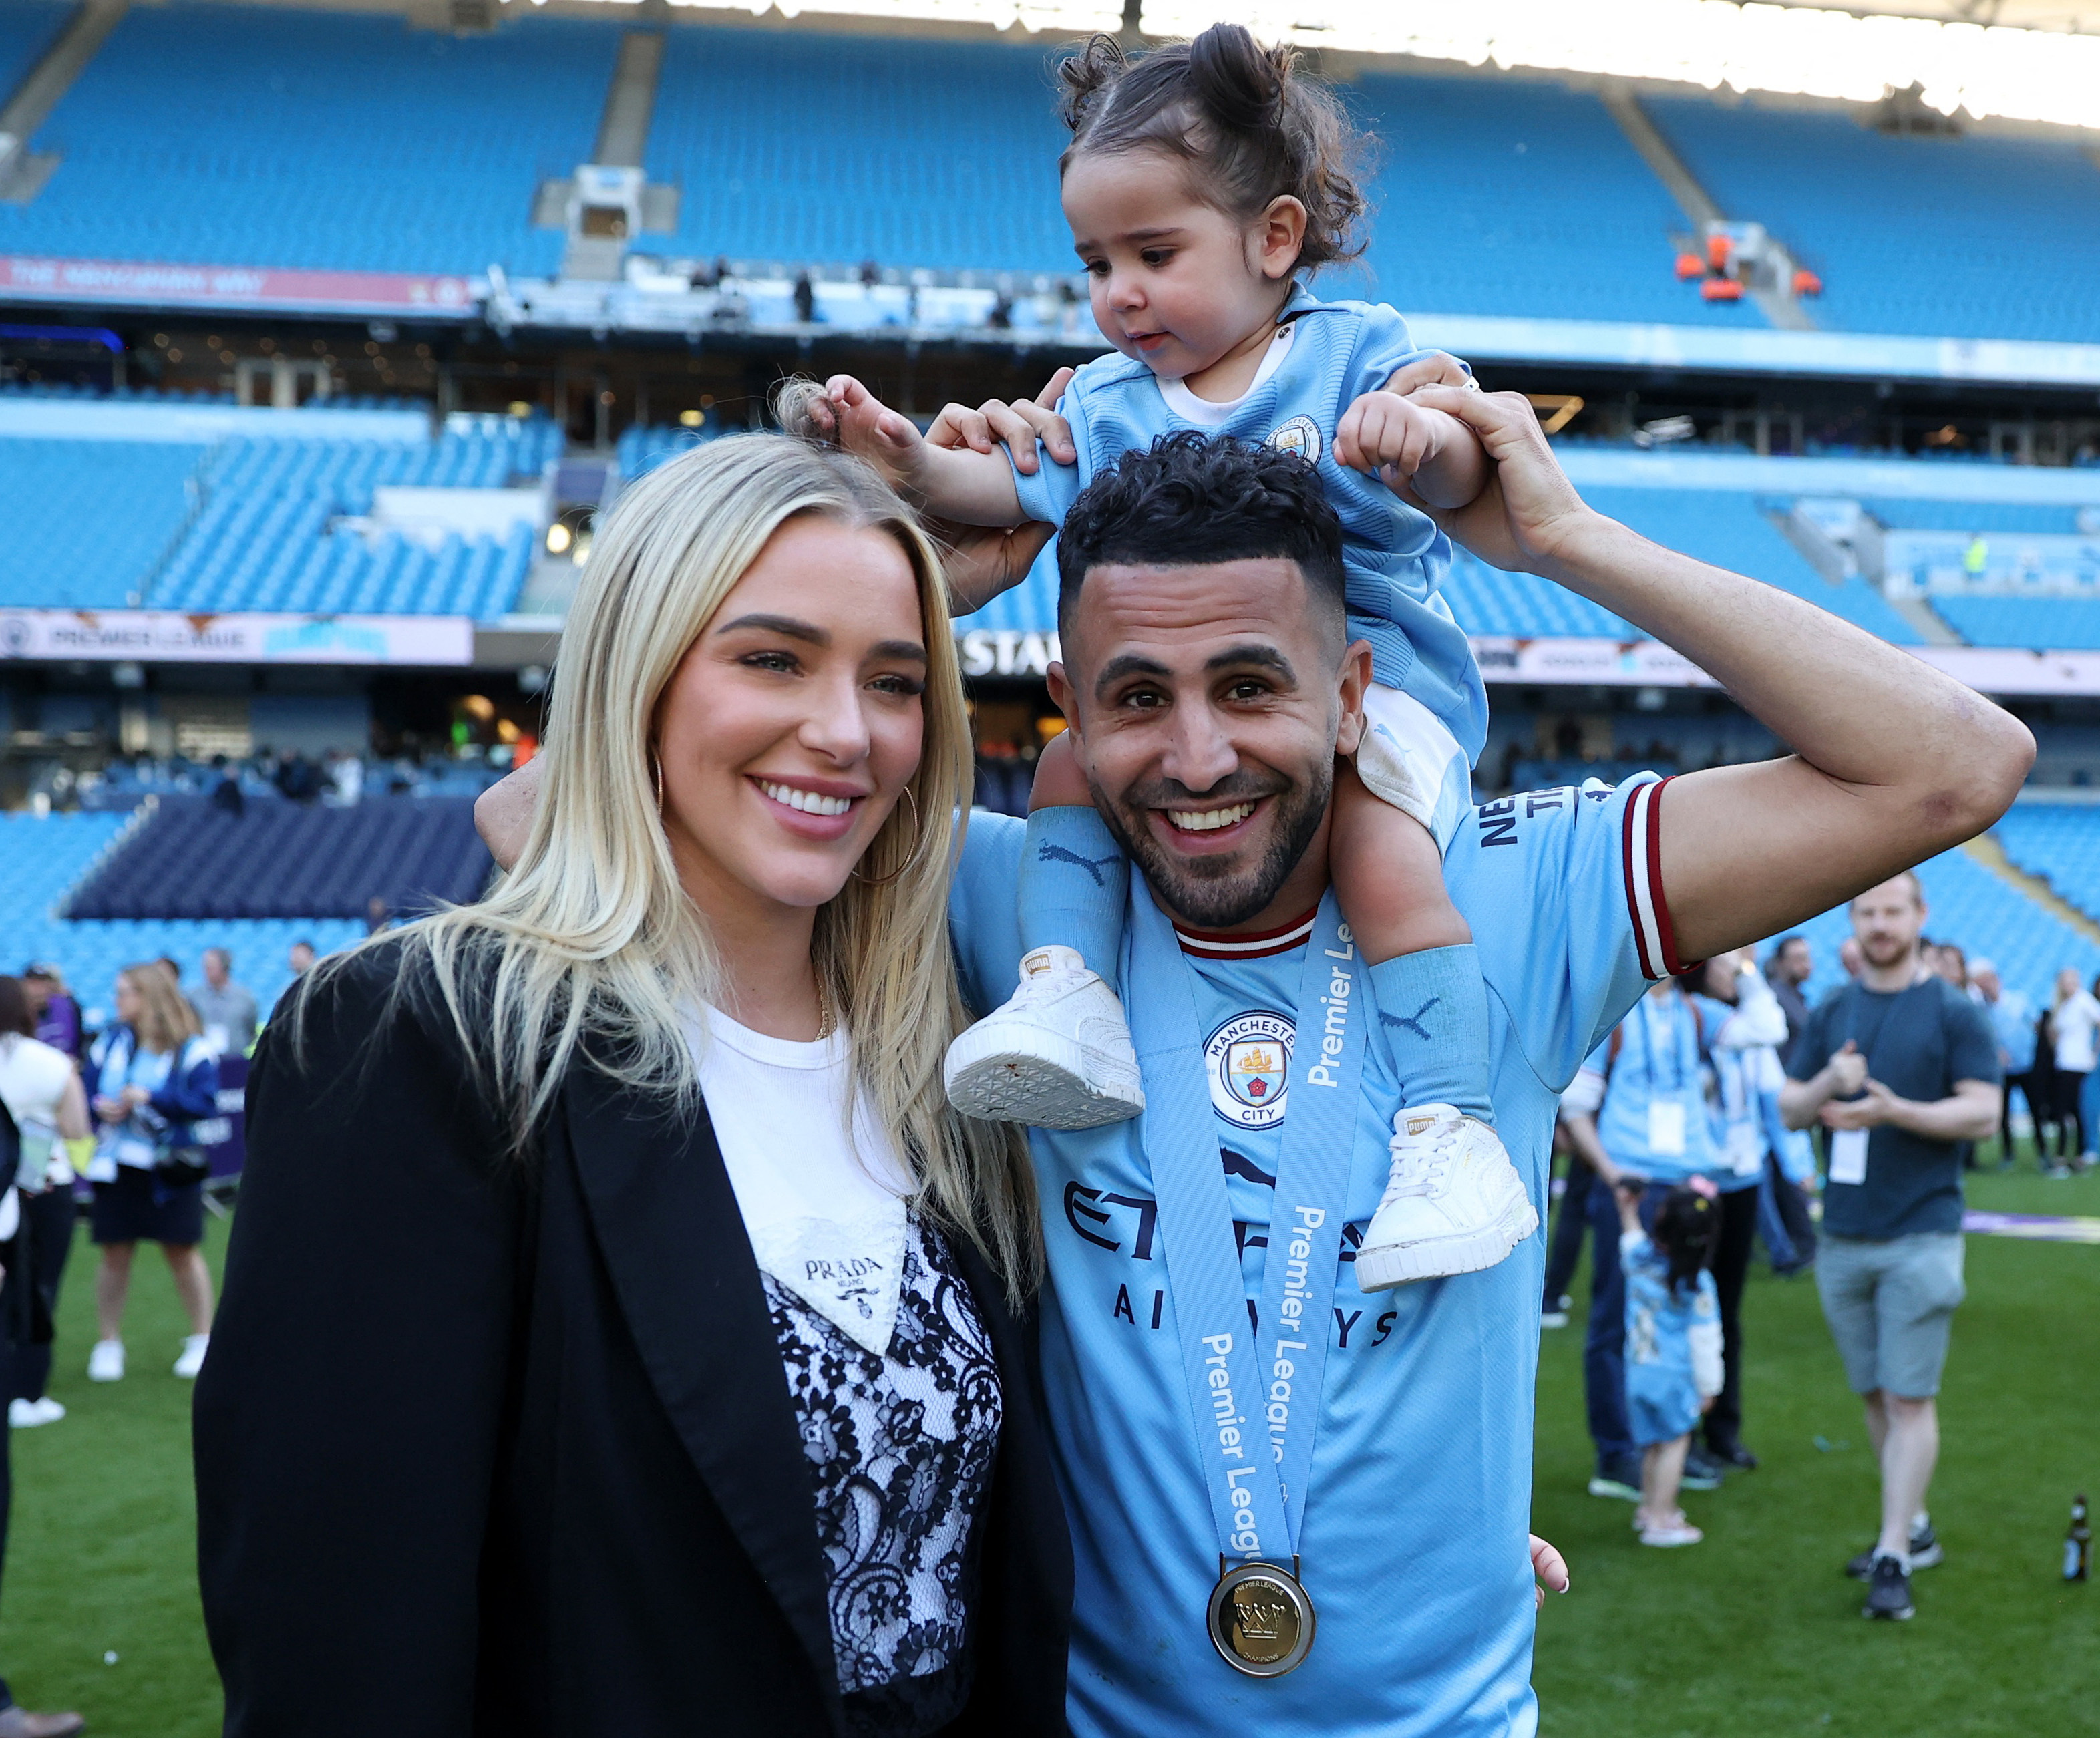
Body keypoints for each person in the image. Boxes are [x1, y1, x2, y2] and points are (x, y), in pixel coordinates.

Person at [477, 395, 2029, 1732]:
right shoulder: (1010, 904)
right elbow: (535, 825)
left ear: (1352, 691)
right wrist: (913, 598)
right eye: (1136, 697)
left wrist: (1563, 540)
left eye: (1251, 684)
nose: (1200, 756)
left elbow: (1956, 762)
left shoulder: (1510, 888)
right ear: (1072, 710)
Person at [194, 435, 1073, 1734]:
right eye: (771, 657)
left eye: (894, 680)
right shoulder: (418, 1040)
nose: (845, 732)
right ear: (637, 677)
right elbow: (339, 1630)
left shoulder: (956, 1037)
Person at [809, 26, 1534, 1294]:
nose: (1118, 295)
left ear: (1271, 240)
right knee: (1064, 774)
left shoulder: (1356, 350)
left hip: (1381, 696)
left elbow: (1470, 469)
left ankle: (1444, 1123)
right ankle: (1070, 989)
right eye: (1095, 264)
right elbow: (1002, 484)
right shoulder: (1103, 401)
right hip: (1227, 705)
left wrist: (1417, 435)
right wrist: (910, 462)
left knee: (1373, 844)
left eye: (1153, 255)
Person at [1781, 872, 2002, 1622]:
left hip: (1922, 1233)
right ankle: (1913, 1524)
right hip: (1842, 1234)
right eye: (1868, 911)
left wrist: (1893, 1110)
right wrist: (1828, 1089)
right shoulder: (1833, 1008)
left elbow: (1983, 1114)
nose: (1880, 923)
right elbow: (1787, 1107)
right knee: (1876, 1392)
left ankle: (1891, 1553)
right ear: (1854, 917)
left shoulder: (1953, 1010)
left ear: (1919, 916)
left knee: (1909, 1398)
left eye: (1893, 910)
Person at [1557, 979, 1728, 1499]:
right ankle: (1617, 1452)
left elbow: (1769, 1028)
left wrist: (1743, 971)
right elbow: (1575, 1106)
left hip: (1687, 1185)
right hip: (1631, 1185)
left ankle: (1670, 1442)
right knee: (1616, 1320)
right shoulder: (1613, 1010)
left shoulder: (1698, 1013)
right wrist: (1612, 1176)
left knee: (1681, 1315)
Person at [83, 963, 219, 1383]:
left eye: (125, 992)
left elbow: (205, 1103)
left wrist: (151, 1098)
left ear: (149, 996)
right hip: (115, 1164)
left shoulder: (191, 1048)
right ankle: (108, 1342)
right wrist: (100, 1105)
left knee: (181, 1251)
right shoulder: (110, 1041)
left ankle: (202, 1338)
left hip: (167, 1168)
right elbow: (86, 1090)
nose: (117, 999)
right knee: (113, 1252)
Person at [1683, 950, 1791, 1469]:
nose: (1735, 970)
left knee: (1728, 1308)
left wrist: (1795, 1167)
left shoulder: (1746, 1031)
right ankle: (1679, 1437)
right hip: (1694, 1180)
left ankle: (1724, 1428)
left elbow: (1773, 1088)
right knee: (1682, 1306)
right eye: (1727, 962)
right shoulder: (1688, 1021)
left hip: (1742, 1179)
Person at [1614, 1179, 1723, 1548]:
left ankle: (1648, 1508)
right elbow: (1705, 1340)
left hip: (1637, 1372)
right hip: (1673, 1378)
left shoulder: (1639, 1260)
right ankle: (1662, 1519)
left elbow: (1630, 1236)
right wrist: (1710, 1388)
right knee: (1675, 1444)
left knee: (1652, 1446)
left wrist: (1627, 1206)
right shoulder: (1698, 1284)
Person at [0, 979, 88, 1431]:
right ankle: (28, 1394)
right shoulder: (51, 1062)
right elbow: (76, 1129)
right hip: (44, 1184)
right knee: (40, 1290)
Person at [1970, 959, 2036, 1167]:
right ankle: (2008, 1153)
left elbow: (2036, 1026)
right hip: (2002, 1070)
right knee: (2003, 1114)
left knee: (2036, 1110)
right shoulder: (1982, 1009)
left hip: (2026, 1066)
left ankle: (2043, 1153)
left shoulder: (2018, 1001)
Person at [2045, 964, 2099, 1176]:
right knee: (2070, 1112)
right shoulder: (2064, 1004)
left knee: (2067, 1111)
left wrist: (2094, 1053)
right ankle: (2075, 1157)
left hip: (2077, 1066)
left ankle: (2066, 1158)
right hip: (2064, 1064)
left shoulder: (2084, 1001)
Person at [189, 948, 258, 1057]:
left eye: (210, 967)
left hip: (235, 1059)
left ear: (224, 967)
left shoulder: (244, 998)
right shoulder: (194, 997)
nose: (206, 971)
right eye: (205, 967)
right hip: (203, 1059)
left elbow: (251, 1029)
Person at [1765, 934, 1813, 1066]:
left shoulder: (1794, 996)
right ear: (1781, 962)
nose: (1806, 964)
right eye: (1798, 958)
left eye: (1807, 957)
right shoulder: (1774, 996)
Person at [17, 969, 78, 1063]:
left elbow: (79, 1041)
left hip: (66, 1066)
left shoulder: (68, 1005)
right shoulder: (17, 1014)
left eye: (43, 983)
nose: (40, 989)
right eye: (34, 983)